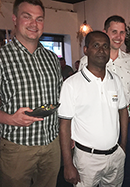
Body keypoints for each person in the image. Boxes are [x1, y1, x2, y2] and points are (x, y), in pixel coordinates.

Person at [0, 0, 63, 187]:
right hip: (17, 147)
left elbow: (60, 99)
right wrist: (10, 119)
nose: (33, 24)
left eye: (39, 19)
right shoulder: (2, 58)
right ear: (14, 19)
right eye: (27, 17)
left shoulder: (52, 58)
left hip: (52, 144)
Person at [78, 15, 130, 187]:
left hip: (126, 126)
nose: (119, 37)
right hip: (96, 127)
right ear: (105, 32)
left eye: (122, 32)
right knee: (95, 174)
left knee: (127, 172)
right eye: (114, 32)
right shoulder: (86, 61)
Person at [59, 31, 128, 186]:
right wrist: (68, 164)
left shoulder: (115, 80)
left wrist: (123, 146)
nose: (102, 50)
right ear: (86, 50)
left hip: (115, 155)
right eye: (96, 45)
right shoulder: (71, 84)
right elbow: (64, 126)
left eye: (105, 46)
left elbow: (123, 110)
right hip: (87, 160)